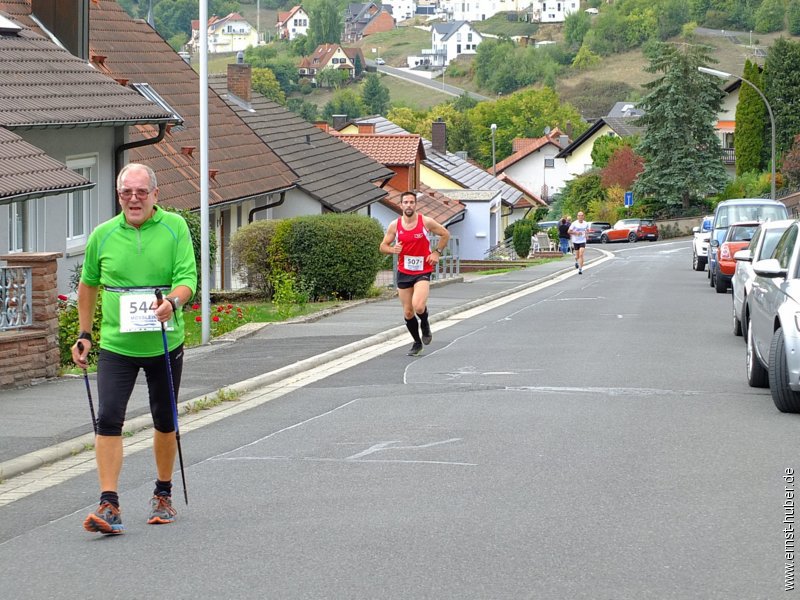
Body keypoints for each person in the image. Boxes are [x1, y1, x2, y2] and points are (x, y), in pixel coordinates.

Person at [72, 163, 197, 535]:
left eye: (141, 191)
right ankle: (109, 503)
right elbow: (88, 285)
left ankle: (163, 494)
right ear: (118, 195)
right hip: (117, 345)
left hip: (164, 341)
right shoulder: (103, 235)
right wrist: (84, 333)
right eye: (126, 192)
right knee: (108, 417)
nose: (133, 198)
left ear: (155, 194)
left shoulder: (175, 228)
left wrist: (172, 303)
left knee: (164, 418)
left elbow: (187, 278)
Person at [380, 191, 450, 357]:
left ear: (415, 204)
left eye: (412, 202)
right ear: (401, 205)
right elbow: (382, 246)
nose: (409, 205)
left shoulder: (425, 221)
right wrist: (392, 249)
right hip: (404, 271)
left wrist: (436, 252)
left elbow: (445, 234)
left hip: (423, 270)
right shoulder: (394, 225)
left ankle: (425, 324)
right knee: (408, 312)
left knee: (418, 305)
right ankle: (417, 342)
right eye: (406, 202)